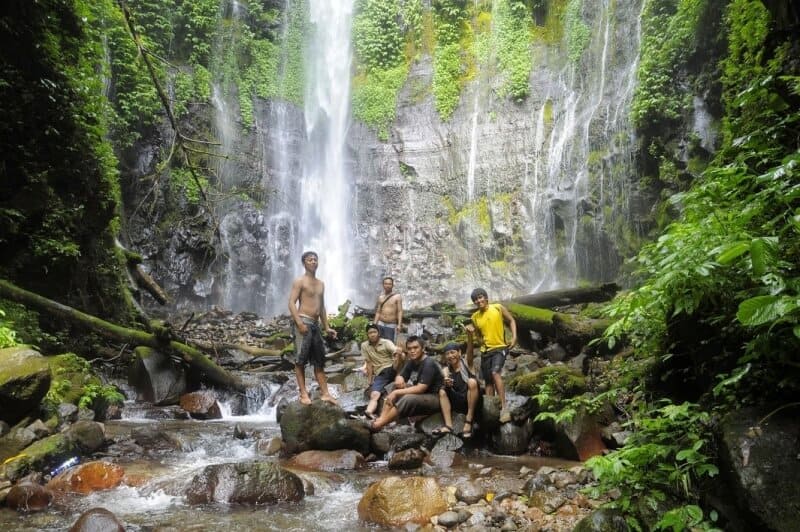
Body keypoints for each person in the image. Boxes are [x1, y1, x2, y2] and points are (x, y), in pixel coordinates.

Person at [287, 251, 338, 405]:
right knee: (300, 360)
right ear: (304, 263)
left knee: (319, 361)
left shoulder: (321, 284)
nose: (313, 262)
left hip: (316, 325)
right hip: (303, 321)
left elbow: (321, 307)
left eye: (315, 259)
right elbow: (291, 303)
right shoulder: (300, 281)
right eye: (310, 260)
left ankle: (325, 393)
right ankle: (303, 394)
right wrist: (299, 323)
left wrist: (327, 327)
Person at [368, 335, 443, 432]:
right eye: (409, 348)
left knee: (407, 398)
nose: (412, 351)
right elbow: (401, 375)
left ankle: (378, 424)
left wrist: (396, 393)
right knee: (395, 386)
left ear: (423, 348)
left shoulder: (429, 363)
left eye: (415, 348)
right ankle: (382, 418)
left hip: (436, 398)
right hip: (423, 395)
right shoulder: (412, 361)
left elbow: (421, 389)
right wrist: (400, 379)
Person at [469, 287, 517, 423]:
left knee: (495, 373)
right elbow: (479, 338)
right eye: (476, 299)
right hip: (485, 351)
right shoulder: (474, 317)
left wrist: (514, 338)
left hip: (500, 347)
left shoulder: (498, 308)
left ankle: (504, 407)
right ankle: (491, 411)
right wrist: (472, 336)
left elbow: (511, 321)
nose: (479, 301)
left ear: (486, 297)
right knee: (488, 382)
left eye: (480, 297)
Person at [434, 335, 481, 438]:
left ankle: (468, 421)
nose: (450, 356)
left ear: (459, 352)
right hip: (458, 401)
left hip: (471, 401)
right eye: (447, 354)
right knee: (442, 391)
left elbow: (470, 353)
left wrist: (470, 337)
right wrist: (446, 382)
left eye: (452, 352)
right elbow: (444, 377)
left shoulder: (468, 364)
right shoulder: (446, 370)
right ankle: (448, 425)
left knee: (472, 382)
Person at [360, 322, 404, 419]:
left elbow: (394, 351)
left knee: (400, 354)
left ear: (379, 333)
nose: (372, 334)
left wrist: (398, 352)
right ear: (367, 335)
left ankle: (399, 375)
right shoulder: (364, 346)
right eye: (370, 332)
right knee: (375, 394)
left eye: (374, 332)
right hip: (381, 373)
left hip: (392, 367)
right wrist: (370, 381)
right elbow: (369, 363)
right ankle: (368, 412)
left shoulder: (386, 342)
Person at [373, 276, 403, 342]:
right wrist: (374, 324)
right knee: (378, 342)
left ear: (392, 285)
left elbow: (400, 311)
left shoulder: (397, 297)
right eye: (386, 284)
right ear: (383, 285)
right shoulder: (380, 297)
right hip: (380, 322)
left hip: (391, 324)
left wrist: (399, 325)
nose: (387, 285)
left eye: (389, 284)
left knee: (390, 343)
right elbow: (378, 312)